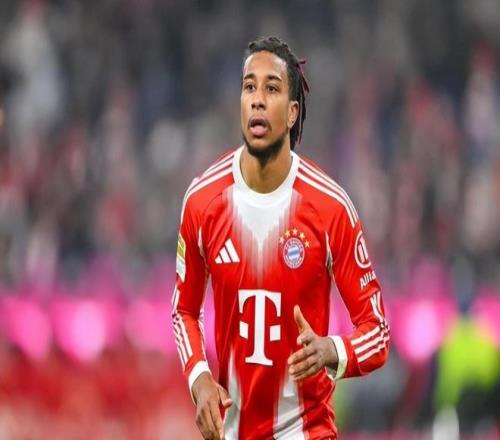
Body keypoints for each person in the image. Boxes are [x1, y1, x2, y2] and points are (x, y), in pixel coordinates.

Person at [172, 36, 390, 440]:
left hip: (309, 432)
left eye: (271, 88)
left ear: (292, 112)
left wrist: (333, 350)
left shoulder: (330, 208)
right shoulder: (203, 201)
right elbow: (184, 310)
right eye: (249, 87)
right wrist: (199, 377)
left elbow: (377, 331)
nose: (257, 99)